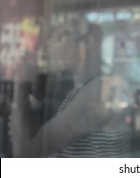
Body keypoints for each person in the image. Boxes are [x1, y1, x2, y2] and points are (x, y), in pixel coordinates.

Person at [9, 20, 132, 157]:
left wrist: (20, 81)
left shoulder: (98, 92)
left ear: (87, 44)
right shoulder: (82, 89)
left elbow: (27, 155)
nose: (49, 44)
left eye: (60, 36)